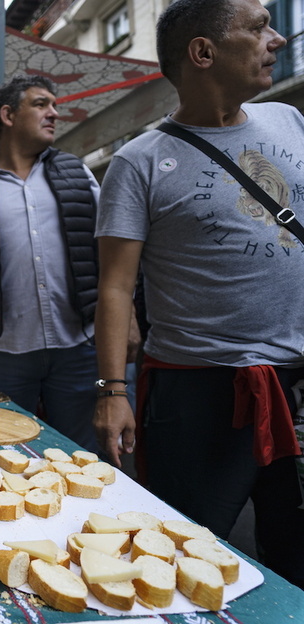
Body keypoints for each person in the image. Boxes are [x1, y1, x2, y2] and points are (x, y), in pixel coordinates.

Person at [94, 0, 304, 588]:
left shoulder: (290, 121)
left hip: (293, 383)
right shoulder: (137, 163)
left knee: (295, 554)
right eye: (259, 28)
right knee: (181, 557)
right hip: (196, 392)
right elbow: (114, 286)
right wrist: (112, 391)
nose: (277, 40)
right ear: (203, 53)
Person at [0, 74, 109, 453]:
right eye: (41, 104)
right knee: (6, 447)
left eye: (54, 105)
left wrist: (123, 315)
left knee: (77, 449)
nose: (54, 113)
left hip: (78, 344)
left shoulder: (76, 172)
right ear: (8, 115)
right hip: (5, 348)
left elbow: (112, 246)